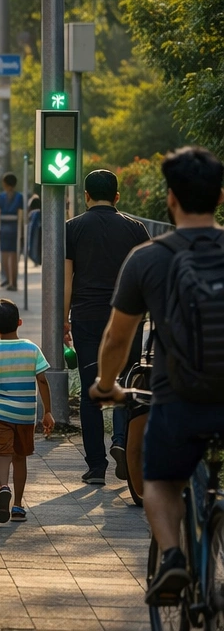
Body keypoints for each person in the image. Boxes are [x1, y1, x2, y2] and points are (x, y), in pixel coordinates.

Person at [91, 146, 224, 606]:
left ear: (170, 198)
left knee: (161, 480)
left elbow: (116, 339)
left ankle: (171, 557)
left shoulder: (148, 259)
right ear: (220, 196)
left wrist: (107, 386)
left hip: (178, 398)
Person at [64, 168, 151, 486]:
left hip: (86, 316)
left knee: (93, 390)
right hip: (127, 318)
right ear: (117, 196)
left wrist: (63, 319)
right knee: (126, 385)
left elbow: (67, 279)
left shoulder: (72, 228)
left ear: (85, 196)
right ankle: (120, 443)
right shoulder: (136, 229)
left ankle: (96, 467)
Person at [0, 298, 54, 524]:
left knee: (2, 455)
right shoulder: (32, 349)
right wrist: (47, 411)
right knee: (20, 459)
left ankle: (3, 487)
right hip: (25, 415)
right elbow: (42, 380)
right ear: (19, 322)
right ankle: (17, 505)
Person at [0, 174, 24, 293]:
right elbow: (23, 213)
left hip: (4, 226)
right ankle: (13, 282)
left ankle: (7, 278)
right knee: (14, 256)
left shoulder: (1, 196)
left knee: (5, 255)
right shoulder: (19, 196)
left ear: (5, 183)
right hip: (15, 227)